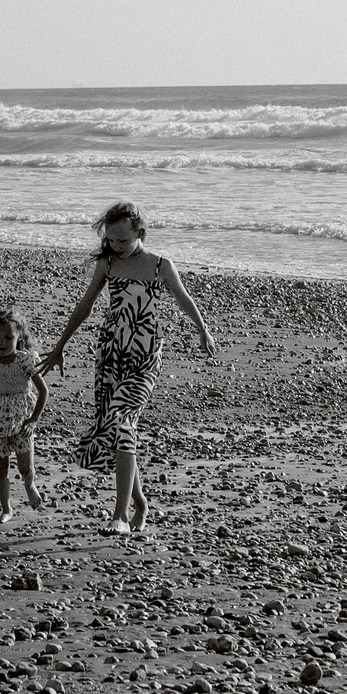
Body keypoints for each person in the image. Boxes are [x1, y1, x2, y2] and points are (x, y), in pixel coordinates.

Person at [44, 201, 215, 536]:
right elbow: (86, 305)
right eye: (111, 240)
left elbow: (184, 300)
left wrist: (202, 329)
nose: (116, 246)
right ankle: (139, 502)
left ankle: (119, 515)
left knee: (123, 421)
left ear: (141, 232)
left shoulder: (160, 265)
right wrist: (60, 346)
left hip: (145, 355)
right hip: (110, 354)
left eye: (123, 240)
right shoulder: (107, 264)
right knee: (118, 430)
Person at [0, 309, 51, 524]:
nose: (2, 342)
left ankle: (30, 485)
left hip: (21, 420)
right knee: (0, 467)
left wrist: (34, 419)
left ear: (19, 337)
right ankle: (6, 509)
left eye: (9, 337)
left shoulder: (25, 361)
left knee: (25, 467)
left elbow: (43, 392)